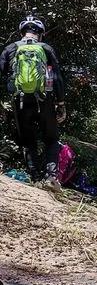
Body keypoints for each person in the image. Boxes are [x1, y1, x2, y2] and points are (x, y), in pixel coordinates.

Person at [0, 16, 66, 187]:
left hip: (20, 101)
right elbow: (57, 78)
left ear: (22, 32)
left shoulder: (10, 48)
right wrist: (61, 104)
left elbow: (3, 75)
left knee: (27, 140)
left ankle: (35, 177)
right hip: (44, 100)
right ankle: (51, 178)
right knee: (51, 138)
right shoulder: (46, 48)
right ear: (41, 33)